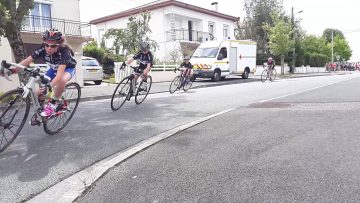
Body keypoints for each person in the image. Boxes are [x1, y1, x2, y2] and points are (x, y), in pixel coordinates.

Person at [1, 28, 76, 117]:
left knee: (62, 81)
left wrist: (49, 86)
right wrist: (12, 70)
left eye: (53, 46)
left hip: (67, 69)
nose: (49, 48)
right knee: (39, 91)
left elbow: (59, 75)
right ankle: (40, 111)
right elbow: (26, 61)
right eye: (46, 45)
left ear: (59, 45)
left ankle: (53, 103)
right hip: (53, 69)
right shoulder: (43, 49)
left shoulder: (64, 52)